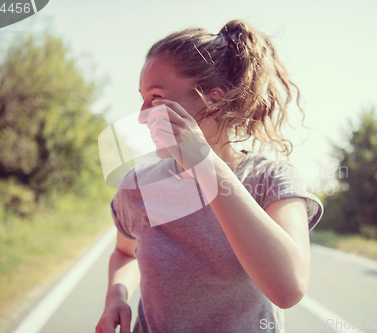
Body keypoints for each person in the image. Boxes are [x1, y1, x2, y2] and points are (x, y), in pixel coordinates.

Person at [95, 19, 323, 333]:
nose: (143, 115)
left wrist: (204, 162)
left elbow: (289, 288)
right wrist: (116, 297)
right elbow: (124, 252)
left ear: (212, 99)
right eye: (142, 98)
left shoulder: (270, 179)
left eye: (156, 98)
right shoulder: (139, 185)